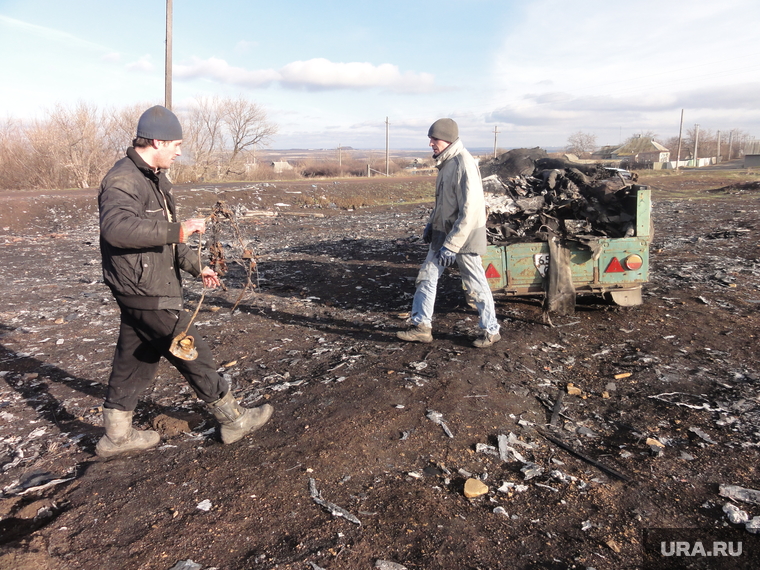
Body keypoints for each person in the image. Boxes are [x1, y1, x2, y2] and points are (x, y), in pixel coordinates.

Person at [95, 105, 272, 458]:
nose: (179, 151)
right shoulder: (123, 180)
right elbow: (116, 230)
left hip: (142, 287)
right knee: (191, 351)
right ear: (157, 141)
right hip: (146, 289)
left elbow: (166, 241)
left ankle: (116, 437)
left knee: (134, 359)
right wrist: (179, 229)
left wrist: (196, 266)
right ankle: (233, 419)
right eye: (175, 144)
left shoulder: (155, 179)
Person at [397, 118, 501, 348]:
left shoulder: (463, 163)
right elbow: (443, 203)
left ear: (447, 139)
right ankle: (421, 326)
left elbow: (471, 210)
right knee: (426, 276)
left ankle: (491, 330)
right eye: (430, 139)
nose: (431, 144)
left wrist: (452, 245)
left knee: (475, 284)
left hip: (463, 236)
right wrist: (431, 224)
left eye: (434, 139)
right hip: (443, 233)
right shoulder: (446, 163)